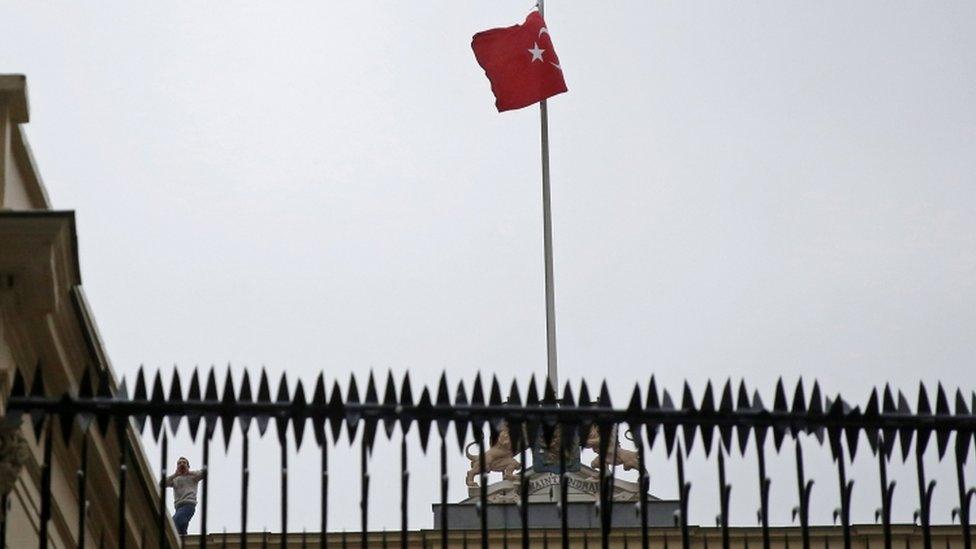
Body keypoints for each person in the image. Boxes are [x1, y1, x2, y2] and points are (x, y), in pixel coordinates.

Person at [165, 456, 206, 535]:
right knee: (181, 532)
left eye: (184, 463)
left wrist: (189, 472)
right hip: (178, 507)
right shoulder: (175, 479)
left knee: (172, 524)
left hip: (188, 506)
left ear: (188, 466)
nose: (182, 464)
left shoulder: (193, 477)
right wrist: (175, 474)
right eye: (179, 463)